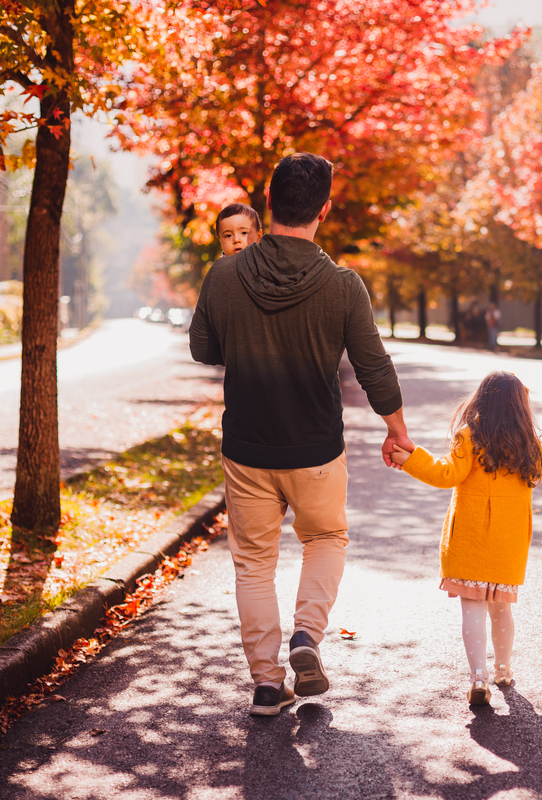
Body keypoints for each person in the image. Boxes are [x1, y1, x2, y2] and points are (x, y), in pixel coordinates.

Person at [189, 153, 413, 716]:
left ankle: (267, 684)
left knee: (253, 564)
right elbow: (374, 366)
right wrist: (397, 432)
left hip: (247, 448)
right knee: (326, 539)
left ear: (268, 204)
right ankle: (307, 638)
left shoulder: (223, 275)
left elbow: (203, 349)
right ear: (325, 211)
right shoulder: (342, 285)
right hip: (316, 448)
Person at [390, 371, 542, 705]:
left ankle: (478, 678)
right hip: (507, 543)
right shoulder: (526, 444)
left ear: (481, 400)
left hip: (469, 539)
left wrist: (410, 458)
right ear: (520, 407)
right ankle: (503, 670)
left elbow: (445, 473)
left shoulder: (469, 437)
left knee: (473, 609)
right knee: (501, 609)